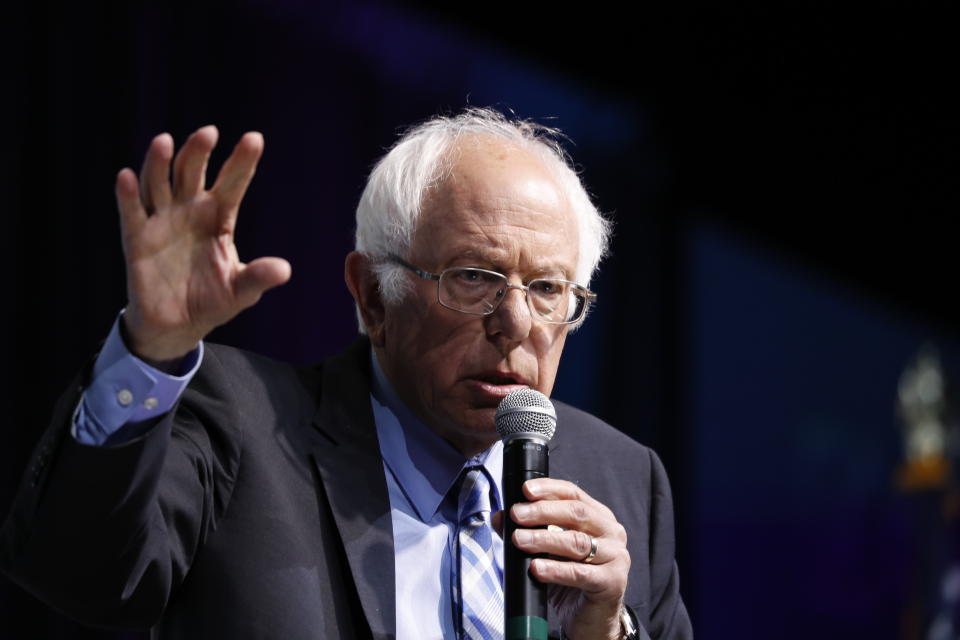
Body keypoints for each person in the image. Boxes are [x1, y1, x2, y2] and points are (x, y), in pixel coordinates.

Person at [0, 109, 691, 639]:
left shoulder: (623, 480)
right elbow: (77, 573)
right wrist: (150, 353)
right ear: (372, 295)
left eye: (547, 290)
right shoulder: (242, 423)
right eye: (473, 278)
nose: (515, 324)